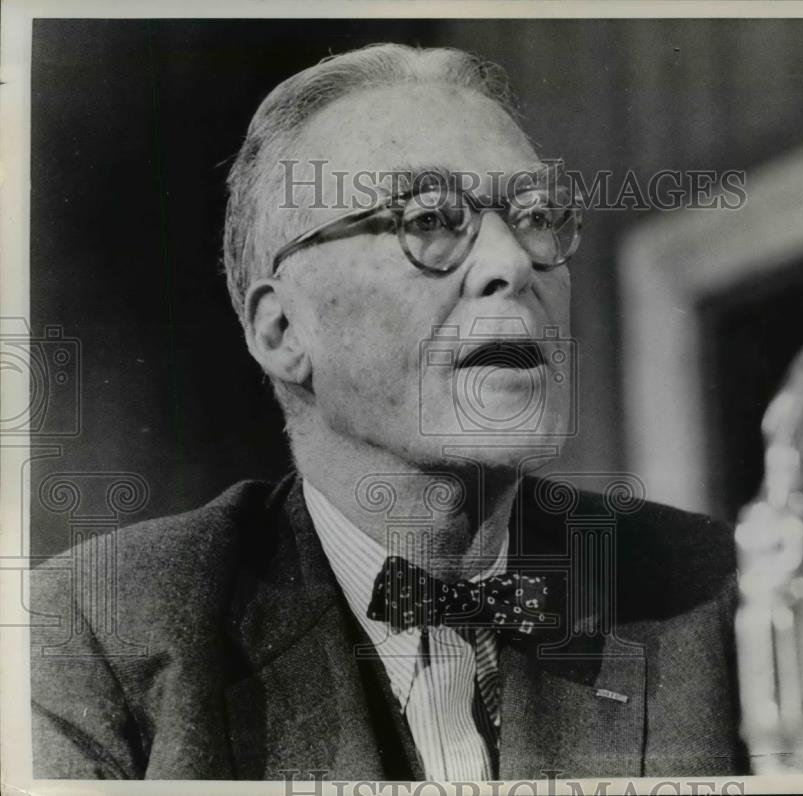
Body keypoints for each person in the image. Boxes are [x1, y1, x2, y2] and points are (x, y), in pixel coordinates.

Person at [31, 43, 743, 781]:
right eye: (431, 218)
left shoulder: (718, 595)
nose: (511, 263)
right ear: (282, 331)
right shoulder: (92, 635)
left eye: (535, 214)